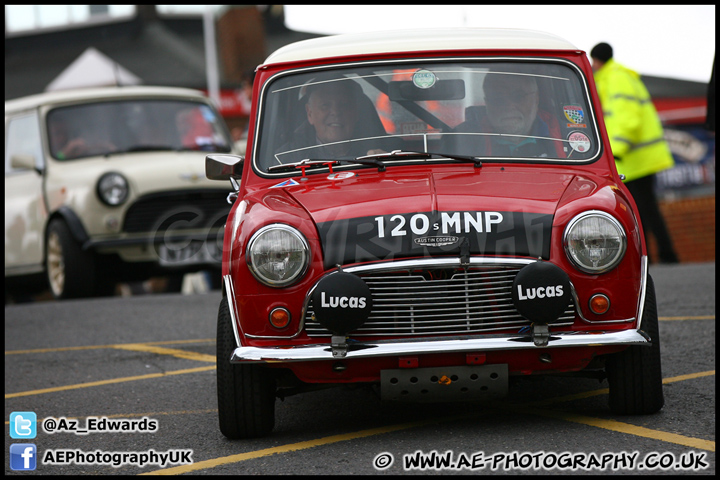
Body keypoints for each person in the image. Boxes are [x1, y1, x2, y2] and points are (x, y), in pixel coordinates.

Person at [591, 42, 679, 263]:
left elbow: (627, 117)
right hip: (638, 159)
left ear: (597, 60)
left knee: (641, 212)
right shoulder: (615, 76)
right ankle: (662, 256)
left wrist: (616, 150)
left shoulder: (615, 77)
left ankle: (657, 258)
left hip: (634, 159)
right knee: (645, 210)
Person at [448, 73, 563, 158]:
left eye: (518, 96)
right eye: (498, 99)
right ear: (487, 103)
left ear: (536, 99)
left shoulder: (566, 134)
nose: (509, 105)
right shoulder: (460, 139)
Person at [278, 80, 390, 162]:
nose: (335, 112)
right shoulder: (287, 159)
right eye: (325, 105)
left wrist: (386, 162)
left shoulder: (387, 149)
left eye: (344, 105)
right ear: (310, 113)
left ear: (356, 113)